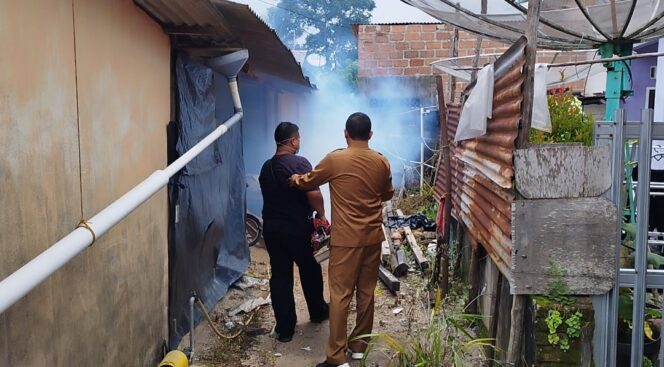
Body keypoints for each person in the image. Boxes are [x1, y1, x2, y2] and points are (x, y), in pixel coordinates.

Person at [290, 112, 394, 367]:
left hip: (346, 240)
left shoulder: (336, 159)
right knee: (366, 293)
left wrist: (295, 180)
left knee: (340, 295)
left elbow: (308, 181)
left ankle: (336, 357)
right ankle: (359, 347)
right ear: (370, 135)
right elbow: (387, 193)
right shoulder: (382, 162)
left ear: (345, 134)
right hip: (372, 238)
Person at [259, 122, 329, 343]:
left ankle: (285, 329)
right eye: (298, 138)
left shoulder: (266, 167)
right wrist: (322, 214)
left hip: (271, 229)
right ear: (293, 141)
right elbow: (314, 194)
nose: (299, 141)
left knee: (280, 277)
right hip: (297, 228)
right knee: (309, 270)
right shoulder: (299, 162)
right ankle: (317, 312)